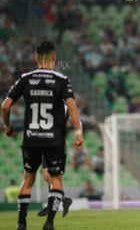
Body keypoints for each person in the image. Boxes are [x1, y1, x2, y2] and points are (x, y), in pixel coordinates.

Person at [1, 41, 84, 230]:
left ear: (35, 58)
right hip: (53, 138)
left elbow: (5, 106)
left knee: (28, 179)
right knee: (56, 179)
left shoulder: (25, 78)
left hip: (31, 137)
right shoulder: (61, 79)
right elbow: (71, 106)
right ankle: (49, 224)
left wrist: (8, 126)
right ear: (55, 58)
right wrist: (78, 132)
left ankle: (21, 223)